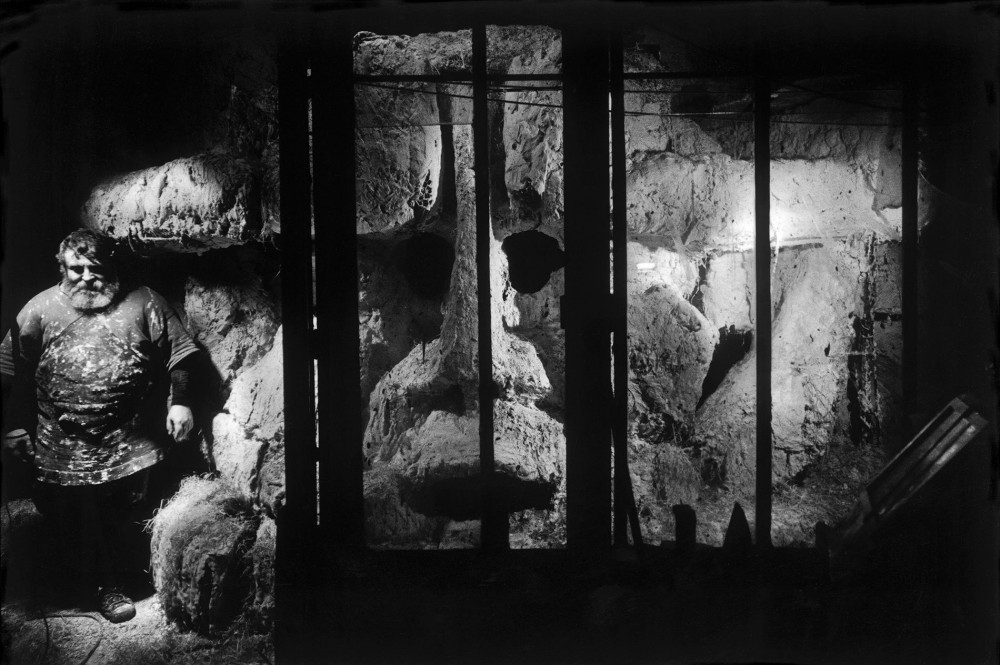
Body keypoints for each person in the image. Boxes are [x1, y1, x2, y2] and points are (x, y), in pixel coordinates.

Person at [1, 229, 200, 623]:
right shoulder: (39, 310)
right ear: (63, 267)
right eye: (77, 268)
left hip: (131, 443)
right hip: (60, 446)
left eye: (97, 267)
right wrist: (9, 427)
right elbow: (7, 372)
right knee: (75, 518)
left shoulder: (144, 302)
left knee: (123, 517)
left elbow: (182, 356)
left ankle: (114, 579)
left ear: (112, 266)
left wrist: (181, 404)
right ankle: (101, 586)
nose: (87, 276)